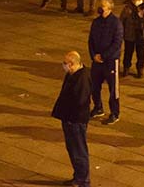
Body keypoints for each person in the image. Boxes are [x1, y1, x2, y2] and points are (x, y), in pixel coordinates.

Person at [53, 51, 92, 187]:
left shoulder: (81, 78)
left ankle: (83, 180)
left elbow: (79, 101)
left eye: (65, 63)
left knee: (78, 150)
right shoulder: (73, 74)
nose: (63, 66)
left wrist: (69, 117)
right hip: (70, 118)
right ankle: (78, 177)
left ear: (72, 64)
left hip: (75, 120)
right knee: (73, 149)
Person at [88, 0, 123, 125]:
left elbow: (117, 43)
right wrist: (93, 55)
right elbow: (90, 40)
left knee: (113, 89)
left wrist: (103, 56)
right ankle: (98, 107)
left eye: (102, 6)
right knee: (94, 86)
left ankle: (115, 113)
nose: (100, 8)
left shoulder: (116, 23)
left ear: (109, 8)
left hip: (110, 61)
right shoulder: (96, 22)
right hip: (97, 61)